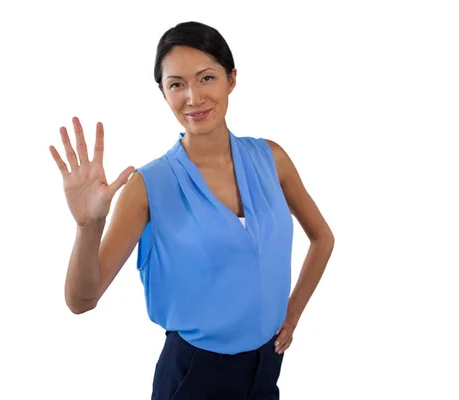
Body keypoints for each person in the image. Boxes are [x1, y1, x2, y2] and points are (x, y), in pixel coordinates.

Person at [48, 21, 334, 399]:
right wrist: (88, 226)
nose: (193, 98)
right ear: (164, 93)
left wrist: (292, 313)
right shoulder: (148, 186)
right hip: (194, 376)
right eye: (177, 84)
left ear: (231, 79)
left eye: (206, 78)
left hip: (267, 367)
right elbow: (81, 301)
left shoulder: (272, 159)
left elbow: (322, 238)